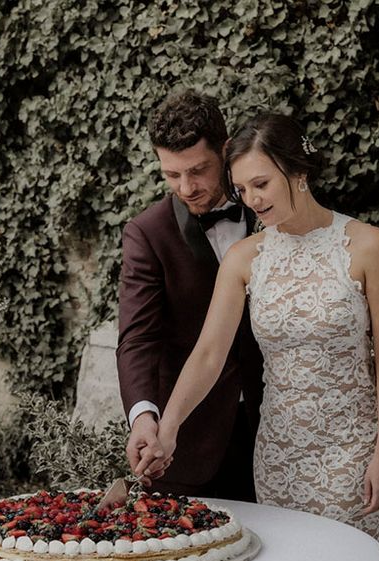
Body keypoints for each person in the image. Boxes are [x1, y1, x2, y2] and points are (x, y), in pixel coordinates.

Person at [141, 113, 379, 547]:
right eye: (242, 189)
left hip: (350, 456)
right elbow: (209, 353)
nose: (252, 200)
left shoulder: (368, 245)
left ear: (297, 171)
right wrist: (167, 430)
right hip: (278, 456)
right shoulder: (244, 259)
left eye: (261, 184)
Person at [112, 90, 264, 502]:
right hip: (187, 442)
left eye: (198, 171)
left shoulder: (269, 209)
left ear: (226, 149)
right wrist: (144, 417)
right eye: (172, 175)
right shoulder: (149, 233)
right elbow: (138, 339)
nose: (187, 187)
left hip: (277, 428)